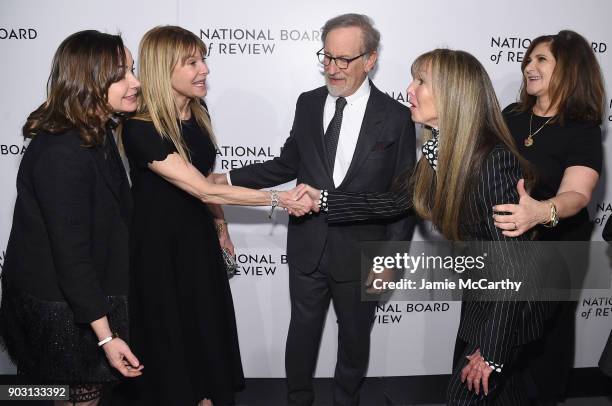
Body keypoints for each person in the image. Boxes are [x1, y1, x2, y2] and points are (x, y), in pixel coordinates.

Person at [296, 48, 547, 404]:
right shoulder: (440, 150)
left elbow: (512, 268)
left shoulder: (492, 160)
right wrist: (322, 200)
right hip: (481, 299)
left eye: (421, 81)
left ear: (452, 92)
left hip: (508, 309)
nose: (408, 90)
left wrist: (492, 352)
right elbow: (393, 201)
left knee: (466, 394)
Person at [212, 13, 416, 406]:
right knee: (301, 335)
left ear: (370, 59)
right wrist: (228, 180)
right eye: (327, 57)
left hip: (365, 255)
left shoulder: (396, 117)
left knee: (355, 343)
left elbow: (402, 199)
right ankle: (298, 399)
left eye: (345, 60)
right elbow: (287, 163)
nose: (333, 68)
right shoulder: (308, 104)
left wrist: (391, 259)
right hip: (308, 245)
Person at [120, 25, 310, 406]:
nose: (204, 69)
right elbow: (203, 187)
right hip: (158, 249)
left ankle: (206, 395)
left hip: (197, 240)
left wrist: (220, 227)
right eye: (191, 62)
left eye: (203, 59)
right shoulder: (139, 129)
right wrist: (279, 199)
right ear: (162, 68)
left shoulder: (198, 110)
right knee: (171, 330)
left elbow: (206, 180)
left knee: (205, 324)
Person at [0, 30, 142, 405]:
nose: (135, 82)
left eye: (132, 69)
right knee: (77, 395)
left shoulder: (97, 129)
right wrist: (107, 338)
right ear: (89, 79)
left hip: (81, 299)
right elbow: (71, 255)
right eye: (122, 73)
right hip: (63, 308)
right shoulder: (63, 151)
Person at [491, 30, 604, 404]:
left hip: (557, 247)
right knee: (499, 336)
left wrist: (541, 211)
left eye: (542, 59)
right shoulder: (512, 115)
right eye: (528, 58)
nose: (528, 66)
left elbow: (578, 193)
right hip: (508, 242)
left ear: (569, 70)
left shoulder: (581, 128)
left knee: (544, 338)